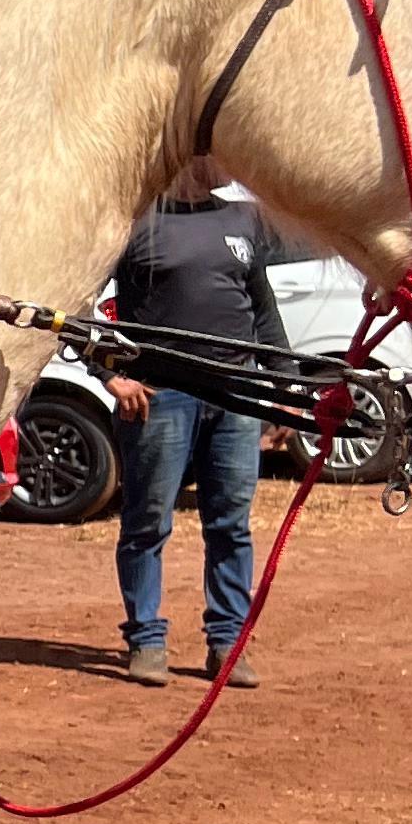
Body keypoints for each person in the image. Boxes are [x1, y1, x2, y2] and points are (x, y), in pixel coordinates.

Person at [107, 164, 285, 687]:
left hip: (235, 396)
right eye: (212, 156)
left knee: (230, 524)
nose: (226, 167)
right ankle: (146, 641)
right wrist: (110, 375)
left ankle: (227, 644)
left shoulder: (242, 220)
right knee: (147, 523)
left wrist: (283, 390)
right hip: (161, 398)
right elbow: (80, 306)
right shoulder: (136, 223)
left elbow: (264, 310)